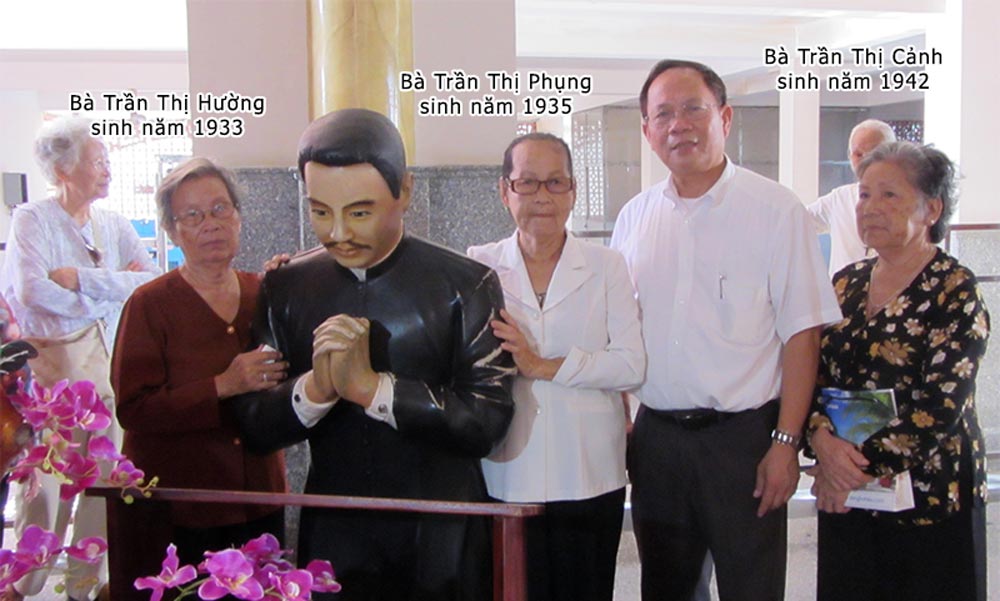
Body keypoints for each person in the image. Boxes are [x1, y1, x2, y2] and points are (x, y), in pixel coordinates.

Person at [231, 108, 515, 601]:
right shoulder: (285, 287)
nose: (339, 232)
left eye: (359, 212)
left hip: (442, 531)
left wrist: (373, 390)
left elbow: (486, 422)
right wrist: (314, 389)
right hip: (335, 530)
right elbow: (254, 426)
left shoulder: (464, 285)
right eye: (321, 212)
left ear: (404, 191)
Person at [609, 59, 842, 601]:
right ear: (646, 129)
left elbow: (803, 335)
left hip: (745, 443)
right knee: (666, 587)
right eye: (663, 114)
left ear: (725, 117)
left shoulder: (777, 210)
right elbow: (617, 327)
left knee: (752, 587)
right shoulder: (634, 218)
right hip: (658, 440)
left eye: (694, 108)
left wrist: (785, 442)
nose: (678, 125)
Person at [807, 142, 989, 601]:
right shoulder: (845, 283)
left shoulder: (954, 290)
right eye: (864, 194)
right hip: (847, 496)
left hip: (929, 493)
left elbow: (940, 406)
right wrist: (821, 440)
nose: (869, 208)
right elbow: (814, 377)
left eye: (889, 195)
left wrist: (849, 468)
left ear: (932, 209)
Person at [467, 133, 645, 601]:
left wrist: (541, 365)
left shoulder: (607, 266)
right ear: (504, 190)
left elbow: (631, 365)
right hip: (506, 469)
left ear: (573, 191)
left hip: (589, 471)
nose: (542, 196)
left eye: (555, 182)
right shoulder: (479, 266)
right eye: (527, 183)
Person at [0, 117, 159, 601]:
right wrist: (107, 295)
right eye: (98, 161)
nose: (108, 170)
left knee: (103, 475)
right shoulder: (32, 218)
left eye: (107, 161)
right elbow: (31, 292)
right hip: (55, 367)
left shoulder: (113, 224)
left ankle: (84, 583)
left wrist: (85, 280)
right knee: (46, 478)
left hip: (107, 362)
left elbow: (150, 281)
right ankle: (23, 582)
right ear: (64, 170)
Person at [111, 158, 289, 567]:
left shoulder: (264, 292)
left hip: (259, 496)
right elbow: (133, 408)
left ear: (238, 217)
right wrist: (222, 385)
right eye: (192, 216)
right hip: (181, 508)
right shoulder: (149, 304)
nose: (211, 224)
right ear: (172, 231)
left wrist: (297, 284)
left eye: (220, 209)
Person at [807, 119, 896, 276]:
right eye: (858, 154)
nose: (865, 161)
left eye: (874, 154)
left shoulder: (908, 201)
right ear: (849, 156)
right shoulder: (838, 199)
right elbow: (795, 221)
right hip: (843, 290)